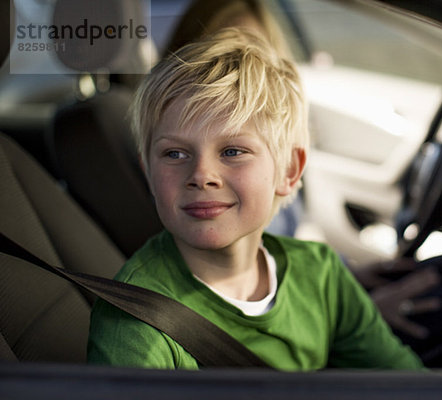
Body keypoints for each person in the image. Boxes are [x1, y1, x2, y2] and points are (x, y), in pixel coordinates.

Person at [87, 28, 424, 371]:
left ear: (289, 171)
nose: (202, 175)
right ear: (149, 174)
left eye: (232, 151)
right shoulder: (136, 320)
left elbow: (409, 383)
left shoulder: (320, 274)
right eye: (174, 154)